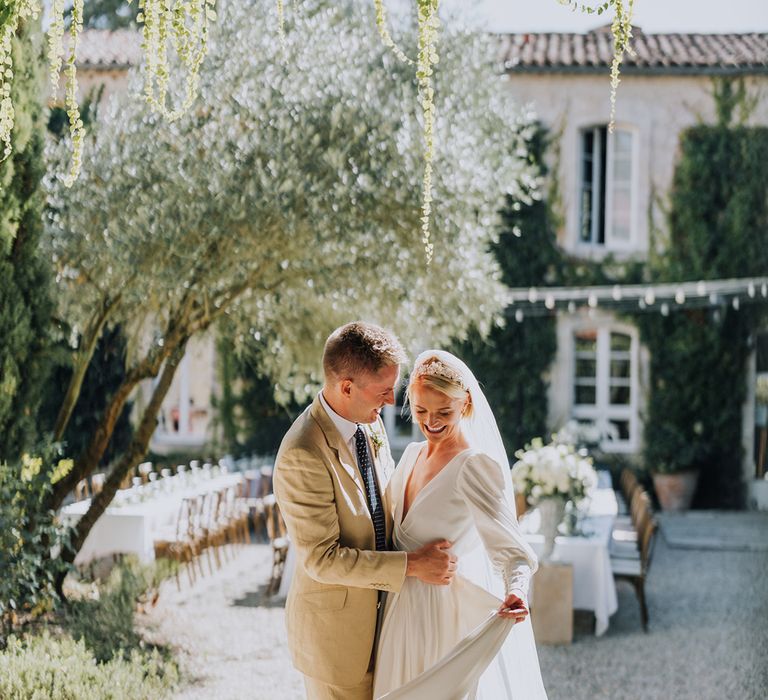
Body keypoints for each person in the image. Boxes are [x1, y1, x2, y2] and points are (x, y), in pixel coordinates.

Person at [274, 323, 458, 700]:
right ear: (346, 387)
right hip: (338, 642)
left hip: (388, 625)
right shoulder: (302, 453)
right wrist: (412, 565)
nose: (392, 400)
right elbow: (321, 560)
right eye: (383, 390)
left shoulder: (368, 425)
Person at [373, 350, 548, 700]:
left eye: (443, 412)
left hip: (438, 617)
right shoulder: (409, 456)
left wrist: (516, 589)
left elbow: (512, 551)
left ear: (466, 404)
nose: (430, 422)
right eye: (421, 411)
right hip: (397, 612)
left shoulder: (473, 466)